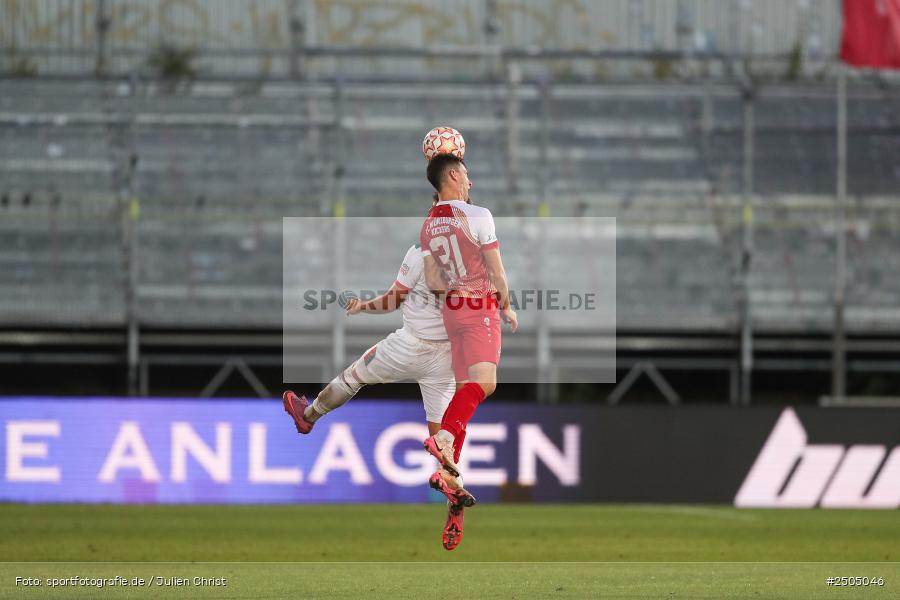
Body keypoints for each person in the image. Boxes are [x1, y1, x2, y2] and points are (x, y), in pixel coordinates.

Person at [281, 233, 478, 513]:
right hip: (447, 357)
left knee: (354, 377)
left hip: (410, 345)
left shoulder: (422, 251)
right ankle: (452, 497)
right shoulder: (474, 256)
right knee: (443, 436)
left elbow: (394, 299)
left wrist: (363, 306)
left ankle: (308, 415)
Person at [419, 153, 518, 547]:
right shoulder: (479, 215)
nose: (471, 183)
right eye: (467, 175)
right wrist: (506, 305)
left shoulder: (428, 224)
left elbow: (431, 279)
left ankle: (453, 500)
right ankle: (441, 440)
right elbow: (497, 270)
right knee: (486, 383)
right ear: (456, 175)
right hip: (479, 308)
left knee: (465, 397)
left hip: (452, 312)